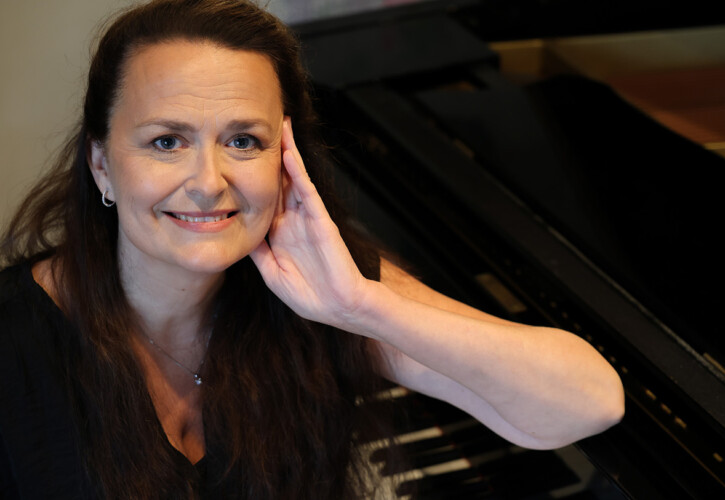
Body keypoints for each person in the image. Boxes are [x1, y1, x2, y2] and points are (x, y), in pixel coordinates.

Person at [0, 0, 624, 498]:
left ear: (287, 160)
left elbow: (590, 403)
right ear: (102, 165)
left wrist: (362, 307)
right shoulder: (14, 338)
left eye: (244, 141)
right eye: (167, 142)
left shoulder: (328, 285)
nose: (209, 182)